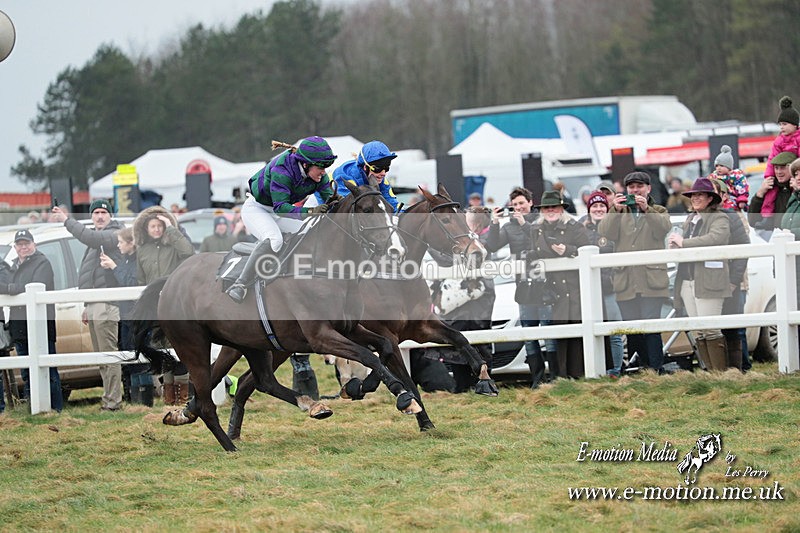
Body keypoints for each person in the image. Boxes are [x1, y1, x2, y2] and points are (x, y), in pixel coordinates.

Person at [226, 136, 337, 303]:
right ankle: (240, 284)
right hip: (257, 209)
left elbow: (332, 198)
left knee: (307, 231)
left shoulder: (318, 175)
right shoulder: (282, 170)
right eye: (321, 167)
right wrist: (311, 211)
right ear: (305, 164)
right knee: (274, 239)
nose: (324, 172)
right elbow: (281, 208)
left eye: (326, 167)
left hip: (278, 212)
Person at [51, 199, 124, 411]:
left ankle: (113, 403)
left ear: (110, 215)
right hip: (94, 304)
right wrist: (86, 304)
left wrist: (66, 220)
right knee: (101, 357)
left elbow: (89, 237)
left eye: (103, 212)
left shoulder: (114, 233)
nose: (100, 216)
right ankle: (108, 400)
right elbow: (90, 275)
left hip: (107, 304)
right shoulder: (97, 242)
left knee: (109, 355)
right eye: (96, 213)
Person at [599, 171, 671, 373]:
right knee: (633, 330)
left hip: (651, 279)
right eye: (631, 187)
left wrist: (646, 209)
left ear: (648, 189)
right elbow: (605, 232)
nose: (635, 190)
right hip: (626, 280)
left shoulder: (658, 209)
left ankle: (656, 369)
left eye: (639, 186)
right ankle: (640, 367)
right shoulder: (619, 212)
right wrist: (614, 209)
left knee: (651, 327)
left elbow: (663, 228)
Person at [485, 187, 555, 388]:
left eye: (521, 204)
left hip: (546, 286)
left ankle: (555, 377)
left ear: (530, 203)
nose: (518, 208)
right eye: (514, 205)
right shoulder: (509, 226)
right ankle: (537, 378)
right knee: (528, 333)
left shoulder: (541, 221)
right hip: (524, 288)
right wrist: (495, 223)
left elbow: (543, 243)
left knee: (549, 332)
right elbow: (492, 246)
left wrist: (525, 224)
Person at [668, 177, 731, 371]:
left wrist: (683, 242)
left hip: (709, 280)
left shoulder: (720, 218)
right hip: (687, 280)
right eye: (693, 195)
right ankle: (709, 372)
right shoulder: (690, 219)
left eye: (700, 195)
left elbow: (715, 238)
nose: (695, 198)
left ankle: (719, 374)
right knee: (699, 331)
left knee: (710, 329)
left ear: (710, 198)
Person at [134, 206, 195, 405]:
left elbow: (189, 252)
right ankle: (170, 399)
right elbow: (141, 280)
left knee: (180, 349)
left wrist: (171, 228)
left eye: (160, 226)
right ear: (146, 229)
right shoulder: (142, 250)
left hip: (175, 305)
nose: (157, 229)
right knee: (163, 350)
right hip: (155, 309)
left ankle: (184, 397)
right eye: (153, 226)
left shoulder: (174, 245)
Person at [529, 191, 590, 379]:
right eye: (546, 208)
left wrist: (568, 250)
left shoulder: (574, 226)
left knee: (578, 332)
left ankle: (581, 375)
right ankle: (562, 377)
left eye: (554, 207)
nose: (550, 210)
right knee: (560, 335)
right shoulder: (535, 229)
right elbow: (533, 252)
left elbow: (587, 249)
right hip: (552, 290)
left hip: (575, 288)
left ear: (562, 208)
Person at [0, 229, 62, 412]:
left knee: (48, 370)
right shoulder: (13, 266)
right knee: (27, 372)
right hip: (20, 327)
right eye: (20, 244)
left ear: (34, 244)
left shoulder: (42, 263)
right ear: (15, 247)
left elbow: (34, 287)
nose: (23, 247)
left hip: (40, 325)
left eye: (27, 243)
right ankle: (33, 409)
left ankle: (55, 409)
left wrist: (9, 288)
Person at [99, 227, 152, 404]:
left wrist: (114, 266)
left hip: (137, 315)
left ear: (131, 243)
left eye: (121, 242)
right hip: (125, 314)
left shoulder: (138, 260)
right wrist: (108, 268)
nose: (118, 245)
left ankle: (144, 400)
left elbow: (131, 283)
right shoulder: (125, 260)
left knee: (141, 358)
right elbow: (115, 282)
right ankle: (133, 398)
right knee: (128, 355)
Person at [580, 191, 624, 377]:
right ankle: (594, 369)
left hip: (609, 287)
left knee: (614, 331)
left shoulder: (614, 228)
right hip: (588, 289)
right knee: (591, 331)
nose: (598, 209)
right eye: (594, 206)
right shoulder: (581, 228)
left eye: (602, 206)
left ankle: (615, 370)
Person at [709, 178, 751, 372]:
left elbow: (743, 248)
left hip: (733, 282)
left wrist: (734, 280)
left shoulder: (733, 216)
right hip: (711, 283)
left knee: (735, 328)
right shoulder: (696, 218)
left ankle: (741, 368)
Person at [759, 96, 800, 227]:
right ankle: (767, 217)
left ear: (795, 125)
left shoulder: (798, 139)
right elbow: (772, 159)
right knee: (771, 191)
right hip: (784, 173)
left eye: (784, 124)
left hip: (795, 173)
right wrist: (769, 176)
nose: (781, 127)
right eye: (780, 124)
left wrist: (796, 174)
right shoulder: (778, 141)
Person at [332, 140, 399, 212]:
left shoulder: (380, 179)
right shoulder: (345, 176)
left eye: (386, 168)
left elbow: (393, 205)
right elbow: (346, 208)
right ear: (365, 167)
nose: (383, 173)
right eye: (378, 169)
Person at [749, 151, 797, 232]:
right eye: (776, 168)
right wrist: (760, 194)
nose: (779, 172)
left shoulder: (796, 190)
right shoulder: (770, 191)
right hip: (776, 241)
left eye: (783, 167)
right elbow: (753, 221)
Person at [709, 145, 749, 211]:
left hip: (732, 200)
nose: (718, 168)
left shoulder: (736, 176)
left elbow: (743, 187)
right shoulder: (713, 176)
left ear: (729, 167)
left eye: (721, 166)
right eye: (717, 166)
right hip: (717, 201)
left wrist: (742, 200)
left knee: (731, 212)